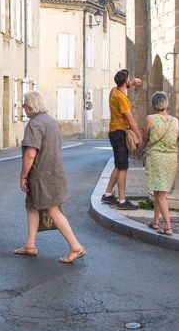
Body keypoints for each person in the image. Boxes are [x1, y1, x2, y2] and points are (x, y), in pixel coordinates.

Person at [14, 91, 86, 263]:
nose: (23, 108)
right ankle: (30, 245)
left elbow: (31, 154)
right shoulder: (52, 122)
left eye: (24, 105)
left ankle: (76, 246)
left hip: (40, 175)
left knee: (52, 209)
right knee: (32, 206)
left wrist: (23, 176)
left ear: (30, 106)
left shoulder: (34, 124)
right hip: (54, 172)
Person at [101, 69, 141, 210]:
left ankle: (108, 194)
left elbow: (123, 86)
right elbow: (130, 120)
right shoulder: (123, 99)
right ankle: (122, 201)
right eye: (129, 79)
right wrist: (138, 135)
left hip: (114, 131)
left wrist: (132, 84)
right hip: (119, 133)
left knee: (119, 165)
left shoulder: (114, 91)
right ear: (125, 81)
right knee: (123, 167)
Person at [141, 91, 179, 235]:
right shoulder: (175, 120)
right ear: (166, 104)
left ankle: (168, 226)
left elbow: (146, 137)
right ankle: (156, 221)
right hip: (171, 157)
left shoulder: (150, 118)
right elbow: (174, 138)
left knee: (160, 193)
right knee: (160, 191)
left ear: (153, 104)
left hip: (156, 157)